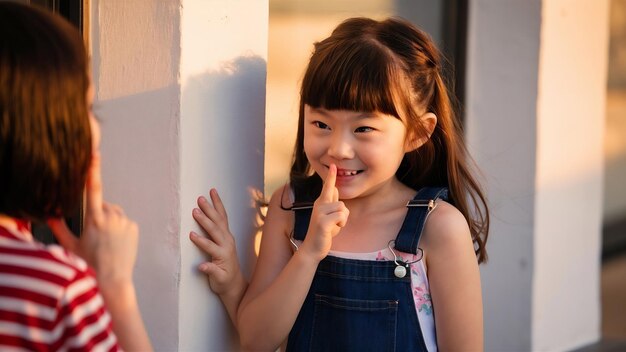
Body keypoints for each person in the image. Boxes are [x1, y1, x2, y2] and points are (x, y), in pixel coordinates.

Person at [190, 16, 489, 351]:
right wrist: (309, 252)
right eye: (321, 123)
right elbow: (256, 340)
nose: (337, 149)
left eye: (363, 129)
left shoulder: (438, 227)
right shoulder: (291, 207)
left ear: (417, 133)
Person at [0, 3, 152, 351]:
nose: (96, 128)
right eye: (87, 108)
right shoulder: (56, 287)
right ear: (41, 127)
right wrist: (115, 284)